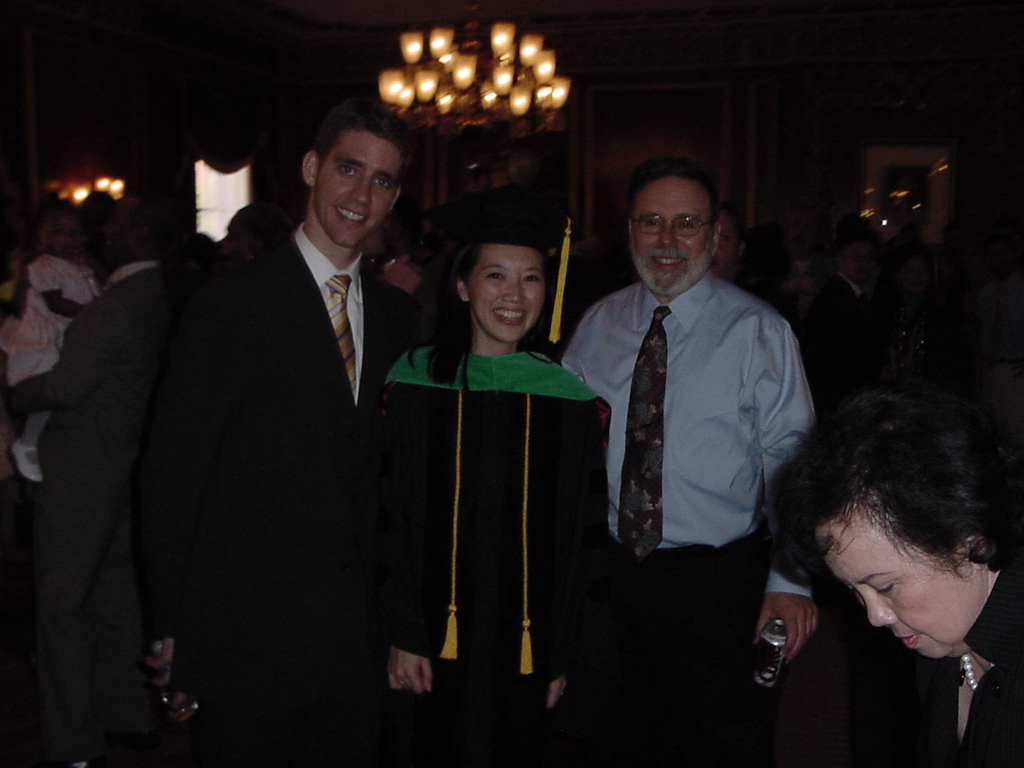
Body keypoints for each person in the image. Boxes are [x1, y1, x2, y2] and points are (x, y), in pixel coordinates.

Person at [141, 98, 419, 768]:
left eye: (381, 180)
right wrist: (171, 626)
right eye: (348, 169)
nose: (361, 195)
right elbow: (173, 476)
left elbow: (397, 481)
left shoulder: (399, 319)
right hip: (246, 633)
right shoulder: (229, 306)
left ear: (394, 198)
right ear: (311, 167)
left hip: (354, 644)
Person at [562, 156, 817, 767]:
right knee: (618, 740)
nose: (668, 240)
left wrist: (790, 581)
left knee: (722, 744)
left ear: (713, 233)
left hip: (718, 588)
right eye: (651, 222)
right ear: (630, 230)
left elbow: (796, 465)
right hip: (612, 580)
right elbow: (566, 449)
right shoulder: (597, 325)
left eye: (687, 223)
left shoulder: (758, 331)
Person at [382, 185, 610, 767]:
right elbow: (388, 518)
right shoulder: (412, 387)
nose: (514, 295)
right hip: (427, 642)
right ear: (462, 285)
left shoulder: (570, 403)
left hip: (528, 646)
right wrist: (402, 631)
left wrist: (560, 653)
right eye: (495, 275)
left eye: (531, 278)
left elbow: (580, 544)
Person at [777, 382, 1024, 768]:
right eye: (855, 592)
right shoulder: (944, 644)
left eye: (886, 586)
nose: (875, 617)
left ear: (968, 541)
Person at [13, 192, 178, 768]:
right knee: (113, 597)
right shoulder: (151, 292)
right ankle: (127, 715)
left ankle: (73, 744)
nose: (104, 229)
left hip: (81, 471)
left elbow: (65, 388)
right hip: (117, 464)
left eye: (118, 221)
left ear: (142, 234)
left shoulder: (119, 303)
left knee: (61, 607)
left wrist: (17, 392)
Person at [0, 198, 102, 482]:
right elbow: (56, 304)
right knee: (48, 391)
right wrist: (93, 313)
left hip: (71, 336)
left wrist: (93, 266)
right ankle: (28, 442)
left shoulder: (79, 267)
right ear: (42, 236)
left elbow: (102, 290)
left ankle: (49, 442)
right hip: (46, 340)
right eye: (59, 232)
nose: (68, 239)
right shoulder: (43, 265)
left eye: (75, 232)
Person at [802, 230, 886, 418]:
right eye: (856, 257)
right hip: (840, 396)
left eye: (869, 258)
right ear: (838, 260)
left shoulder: (855, 296)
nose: (863, 263)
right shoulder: (834, 298)